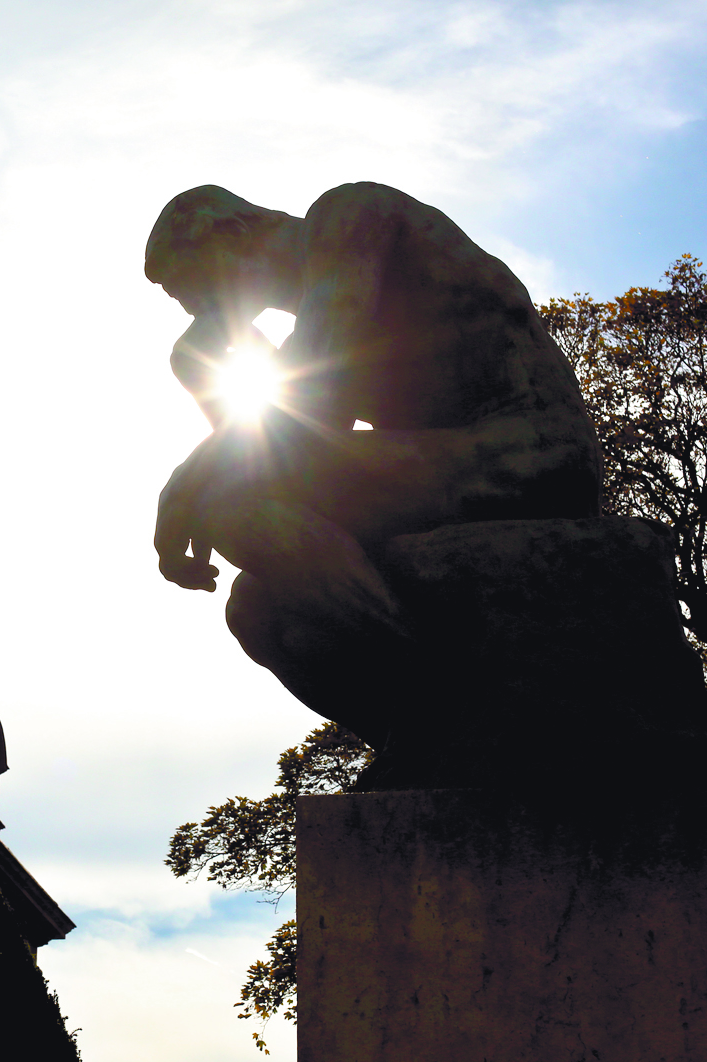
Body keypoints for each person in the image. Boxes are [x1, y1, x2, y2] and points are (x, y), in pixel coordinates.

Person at [144, 182, 601, 744]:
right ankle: (419, 735)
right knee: (258, 609)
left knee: (226, 509)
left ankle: (453, 707)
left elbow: (310, 404)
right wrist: (200, 364)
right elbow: (287, 450)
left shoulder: (351, 217)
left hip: (532, 445)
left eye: (188, 287)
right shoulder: (321, 301)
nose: (194, 309)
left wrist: (182, 487)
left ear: (229, 235)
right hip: (452, 460)